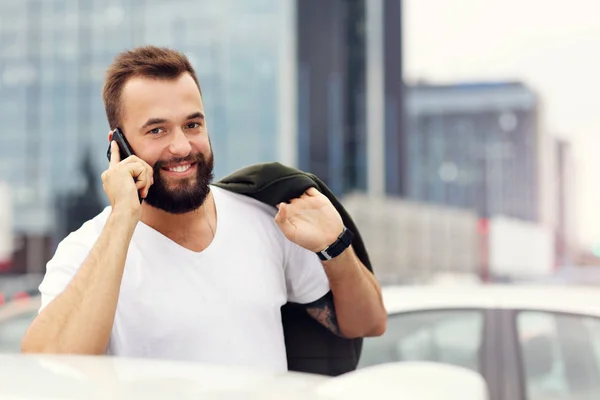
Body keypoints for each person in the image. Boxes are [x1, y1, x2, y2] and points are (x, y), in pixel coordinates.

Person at [21, 46, 386, 371]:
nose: (181, 147)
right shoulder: (85, 250)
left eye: (192, 124)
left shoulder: (267, 218)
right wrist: (122, 219)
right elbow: (51, 367)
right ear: (118, 145)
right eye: (157, 131)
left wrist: (335, 247)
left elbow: (368, 324)